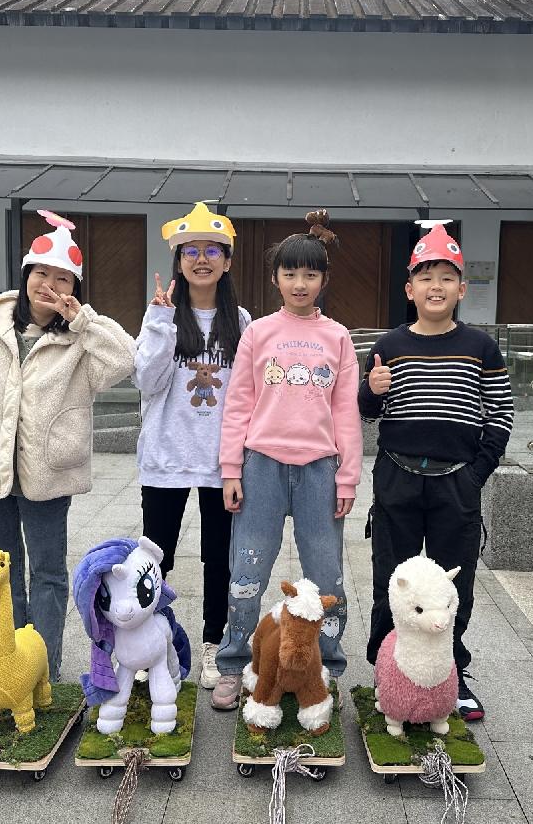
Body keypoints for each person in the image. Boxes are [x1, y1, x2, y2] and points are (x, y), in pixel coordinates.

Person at [0, 209, 136, 682]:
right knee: (0, 572)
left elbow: (126, 360)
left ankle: (45, 668)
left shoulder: (79, 341)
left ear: (74, 288)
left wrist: (83, 321)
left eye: (63, 279)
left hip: (48, 471)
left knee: (48, 573)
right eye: (42, 274)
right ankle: (9, 665)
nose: (49, 285)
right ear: (26, 275)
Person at [358, 220, 514, 721]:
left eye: (447, 278)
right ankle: (388, 668)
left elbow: (501, 414)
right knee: (393, 580)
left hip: (457, 481)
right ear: (410, 289)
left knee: (453, 586)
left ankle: (450, 672)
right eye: (425, 277)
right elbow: (367, 411)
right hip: (397, 476)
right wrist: (371, 390)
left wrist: (476, 474)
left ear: (461, 289)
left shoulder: (481, 347)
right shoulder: (390, 345)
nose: (436, 287)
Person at [211, 210, 362, 711]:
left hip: (321, 470)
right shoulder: (258, 333)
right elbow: (238, 403)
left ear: (324, 280)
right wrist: (231, 469)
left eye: (310, 274)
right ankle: (235, 663)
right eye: (290, 273)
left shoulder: (338, 337)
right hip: (261, 466)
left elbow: (346, 412)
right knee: (247, 568)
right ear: (275, 278)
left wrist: (348, 477)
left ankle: (327, 665)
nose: (300, 283)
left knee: (327, 574)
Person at [134, 202, 251, 692]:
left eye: (212, 251)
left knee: (219, 558)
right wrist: (162, 322)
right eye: (191, 251)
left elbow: (246, 393)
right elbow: (147, 379)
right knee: (156, 557)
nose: (201, 259)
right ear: (179, 261)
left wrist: (240, 458)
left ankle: (213, 643)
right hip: (166, 456)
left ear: (227, 261)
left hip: (219, 461)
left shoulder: (240, 320)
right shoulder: (160, 313)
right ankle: (149, 641)